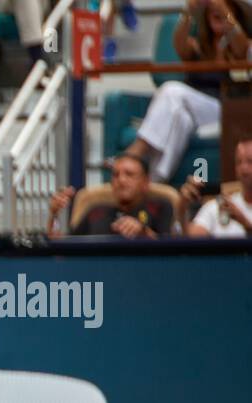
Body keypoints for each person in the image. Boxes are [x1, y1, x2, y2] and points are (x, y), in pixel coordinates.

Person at [123, 0, 252, 182]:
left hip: (224, 109)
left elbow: (242, 49)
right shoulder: (198, 45)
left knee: (170, 91)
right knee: (180, 119)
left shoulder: (242, 46)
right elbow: (179, 43)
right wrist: (188, 12)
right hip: (193, 111)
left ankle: (136, 151)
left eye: (222, 12)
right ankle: (153, 183)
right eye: (212, 13)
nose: (216, 13)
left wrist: (225, 13)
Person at [46, 153, 176, 238]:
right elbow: (65, 251)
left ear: (145, 182)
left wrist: (143, 233)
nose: (121, 180)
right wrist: (54, 215)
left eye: (129, 174)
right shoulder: (95, 212)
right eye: (115, 175)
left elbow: (171, 253)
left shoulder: (161, 207)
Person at [184, 137, 252, 236]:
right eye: (239, 162)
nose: (243, 169)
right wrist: (181, 208)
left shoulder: (236, 212)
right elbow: (191, 240)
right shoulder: (220, 206)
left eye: (250, 162)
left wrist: (245, 223)